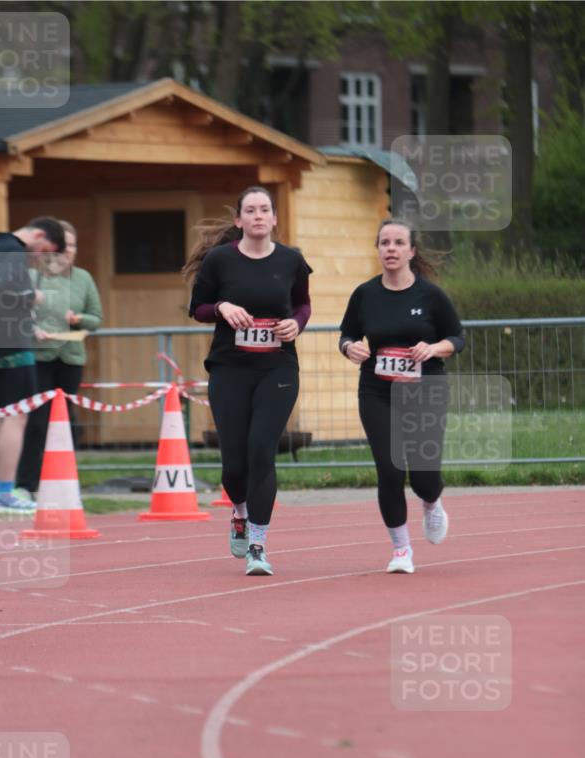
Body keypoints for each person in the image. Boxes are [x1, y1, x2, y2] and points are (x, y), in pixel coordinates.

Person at [185, 186, 312, 576]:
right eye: (251, 210)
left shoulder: (291, 260)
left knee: (261, 451)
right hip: (230, 369)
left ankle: (258, 544)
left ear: (274, 218)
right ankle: (238, 513)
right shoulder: (221, 260)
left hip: (277, 368)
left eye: (264, 210)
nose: (258, 216)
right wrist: (222, 307)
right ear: (238, 220)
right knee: (234, 463)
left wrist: (297, 323)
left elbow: (302, 303)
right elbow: (198, 308)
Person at [339, 218, 465, 574]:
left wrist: (433, 348)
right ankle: (401, 549)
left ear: (412, 251)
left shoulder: (430, 295)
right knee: (390, 470)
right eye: (384, 243)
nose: (390, 249)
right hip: (377, 391)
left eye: (398, 243)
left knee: (424, 476)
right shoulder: (365, 294)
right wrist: (350, 347)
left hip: (425, 389)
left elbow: (457, 338)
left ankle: (432, 501)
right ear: (378, 250)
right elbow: (347, 334)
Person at [0, 217, 65, 512]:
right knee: (17, 415)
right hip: (12, 345)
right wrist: (32, 296)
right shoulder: (13, 251)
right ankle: (4, 491)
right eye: (44, 250)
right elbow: (6, 291)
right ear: (38, 235)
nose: (39, 256)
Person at [15, 221, 103, 502]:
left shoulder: (83, 278)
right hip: (38, 358)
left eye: (73, 245)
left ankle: (64, 483)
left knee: (66, 420)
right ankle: (26, 484)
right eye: (64, 244)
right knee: (37, 422)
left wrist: (79, 319)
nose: (68, 250)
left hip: (70, 357)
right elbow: (14, 313)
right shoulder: (31, 276)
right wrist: (31, 329)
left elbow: (96, 318)